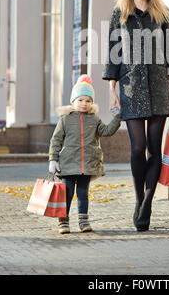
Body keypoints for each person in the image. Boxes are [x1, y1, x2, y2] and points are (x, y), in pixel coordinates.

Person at [102, 0, 169, 231]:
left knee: (154, 149)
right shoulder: (120, 14)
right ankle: (139, 199)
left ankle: (148, 202)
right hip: (130, 88)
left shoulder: (163, 14)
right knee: (137, 148)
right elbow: (113, 54)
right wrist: (112, 91)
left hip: (159, 87)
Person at [48, 74, 121, 234]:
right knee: (67, 194)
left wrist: (117, 118)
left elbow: (106, 131)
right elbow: (56, 140)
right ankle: (63, 221)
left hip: (87, 165)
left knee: (83, 194)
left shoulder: (94, 119)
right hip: (67, 165)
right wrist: (53, 160)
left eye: (88, 100)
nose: (84, 103)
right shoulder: (65, 120)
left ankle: (83, 221)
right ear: (73, 101)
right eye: (80, 100)